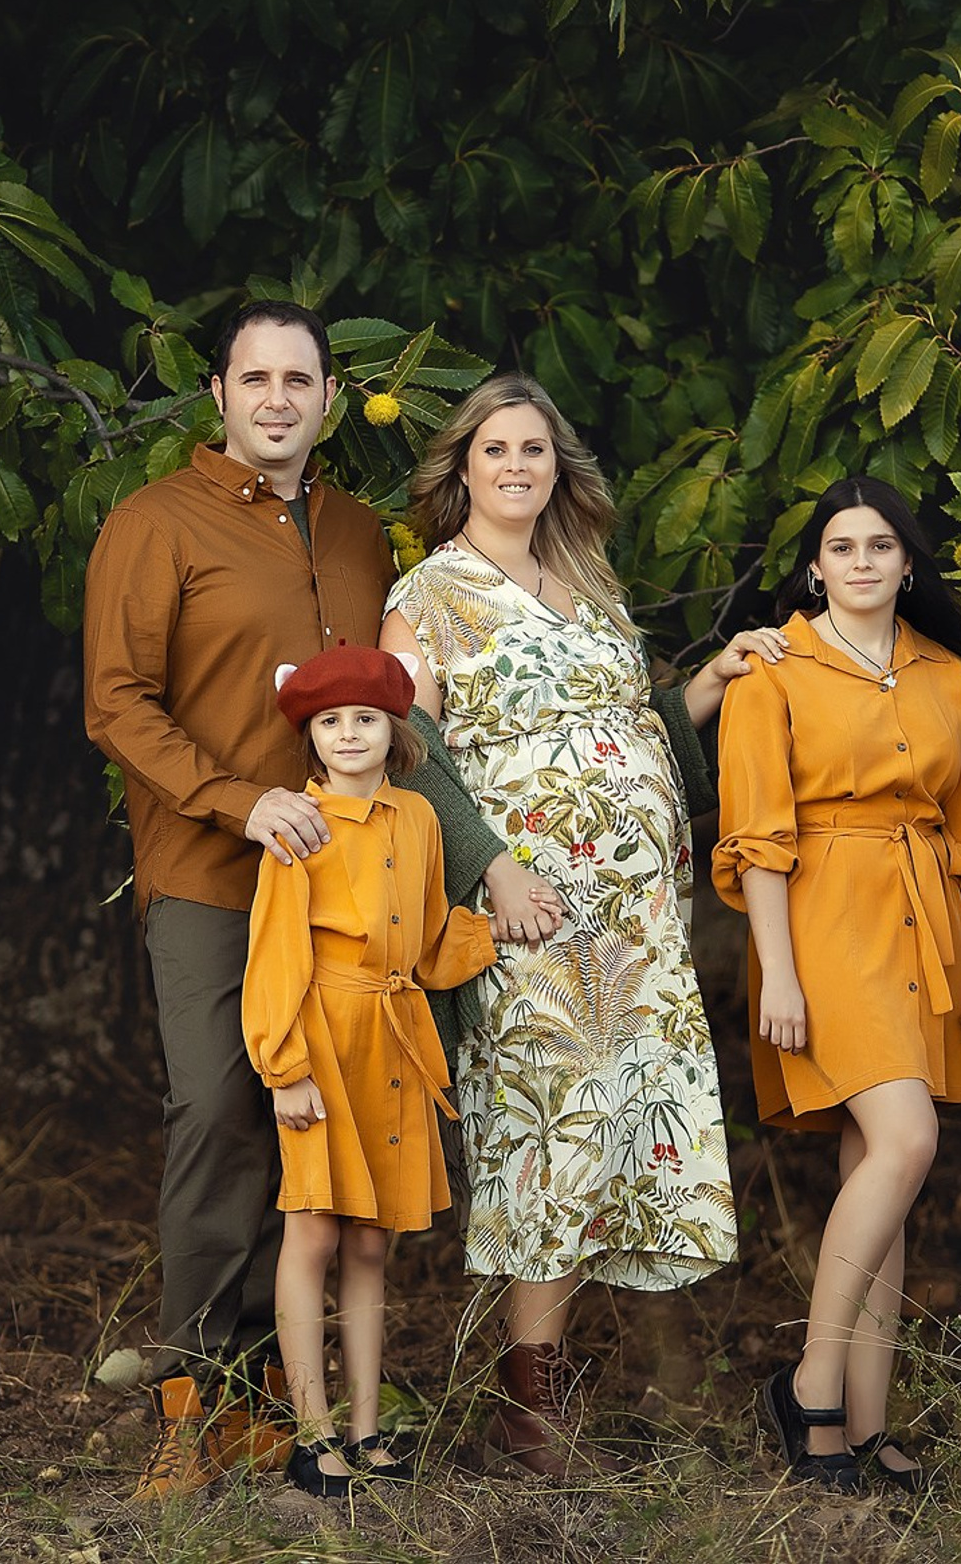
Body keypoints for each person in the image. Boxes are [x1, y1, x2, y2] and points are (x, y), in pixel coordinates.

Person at [82, 301, 553, 1497]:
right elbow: (118, 702)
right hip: (214, 871)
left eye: (301, 379)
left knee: (311, 1138)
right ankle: (194, 1406)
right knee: (220, 1109)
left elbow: (393, 705)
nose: (278, 399)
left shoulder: (357, 532)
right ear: (218, 392)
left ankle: (277, 1409)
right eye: (256, 378)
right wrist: (239, 802)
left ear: (332, 399)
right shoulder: (156, 523)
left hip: (354, 892)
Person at [382, 374, 783, 1476]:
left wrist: (708, 681)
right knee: (550, 1139)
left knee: (614, 1137)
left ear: (559, 467)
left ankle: (590, 1385)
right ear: (459, 467)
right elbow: (410, 747)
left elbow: (630, 731)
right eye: (496, 448)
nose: (517, 465)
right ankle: (530, 1409)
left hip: (639, 921)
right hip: (534, 915)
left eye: (536, 449)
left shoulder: (587, 586)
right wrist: (494, 868)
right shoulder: (430, 594)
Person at [711, 476, 961, 1494]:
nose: (859, 562)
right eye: (840, 547)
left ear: (906, 563)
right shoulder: (772, 672)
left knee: (878, 1179)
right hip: (820, 919)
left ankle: (864, 1425)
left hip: (922, 923)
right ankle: (809, 1386)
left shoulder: (951, 679)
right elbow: (754, 838)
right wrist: (779, 971)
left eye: (879, 545)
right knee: (906, 1141)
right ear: (814, 566)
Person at [242, 649, 497, 1497]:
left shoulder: (417, 820)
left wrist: (494, 933)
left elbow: (427, 943)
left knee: (370, 1243)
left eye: (364, 718)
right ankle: (311, 1435)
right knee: (312, 1229)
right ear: (309, 738)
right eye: (328, 722)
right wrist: (285, 1069)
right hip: (324, 1038)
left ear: (396, 729)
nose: (348, 735)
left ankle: (366, 1426)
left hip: (391, 1039)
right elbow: (274, 956)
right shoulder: (298, 827)